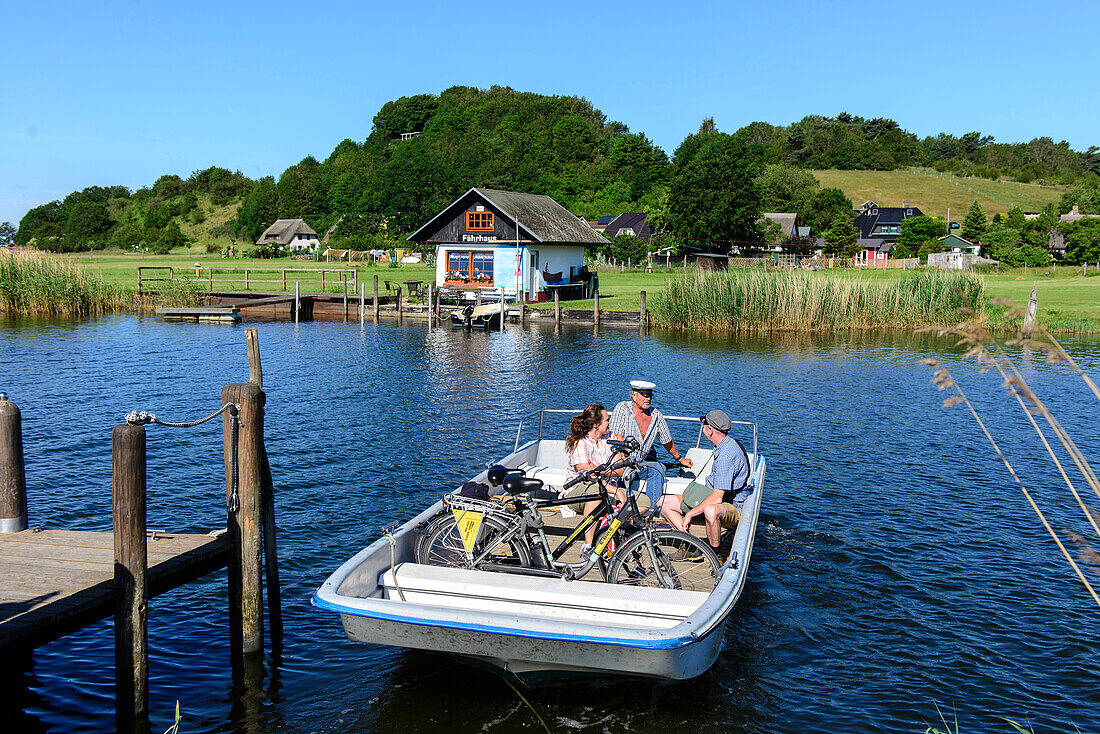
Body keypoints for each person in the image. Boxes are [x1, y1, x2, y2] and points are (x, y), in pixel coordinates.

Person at [661, 409, 750, 558]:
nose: (702, 429)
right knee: (664, 503)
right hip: (712, 495)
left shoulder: (726, 455)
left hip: (732, 505)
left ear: (710, 431)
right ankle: (691, 546)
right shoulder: (724, 445)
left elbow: (717, 497)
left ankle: (715, 555)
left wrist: (690, 514)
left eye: (704, 425)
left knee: (710, 510)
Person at [609, 380, 693, 507]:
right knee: (625, 474)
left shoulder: (656, 415)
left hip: (639, 463)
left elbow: (667, 441)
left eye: (650, 395)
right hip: (621, 460)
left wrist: (680, 459)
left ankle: (651, 511)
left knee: (658, 469)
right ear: (633, 395)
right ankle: (622, 509)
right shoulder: (622, 408)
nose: (648, 398)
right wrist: (624, 456)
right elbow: (615, 435)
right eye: (644, 395)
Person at [565, 403, 626, 555]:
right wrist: (616, 490)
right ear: (597, 425)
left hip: (607, 488)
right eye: (607, 420)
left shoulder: (610, 438)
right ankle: (588, 546)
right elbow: (588, 477)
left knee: (642, 502)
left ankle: (608, 532)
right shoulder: (581, 443)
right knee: (596, 494)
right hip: (579, 491)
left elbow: (620, 471)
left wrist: (599, 470)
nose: (610, 422)